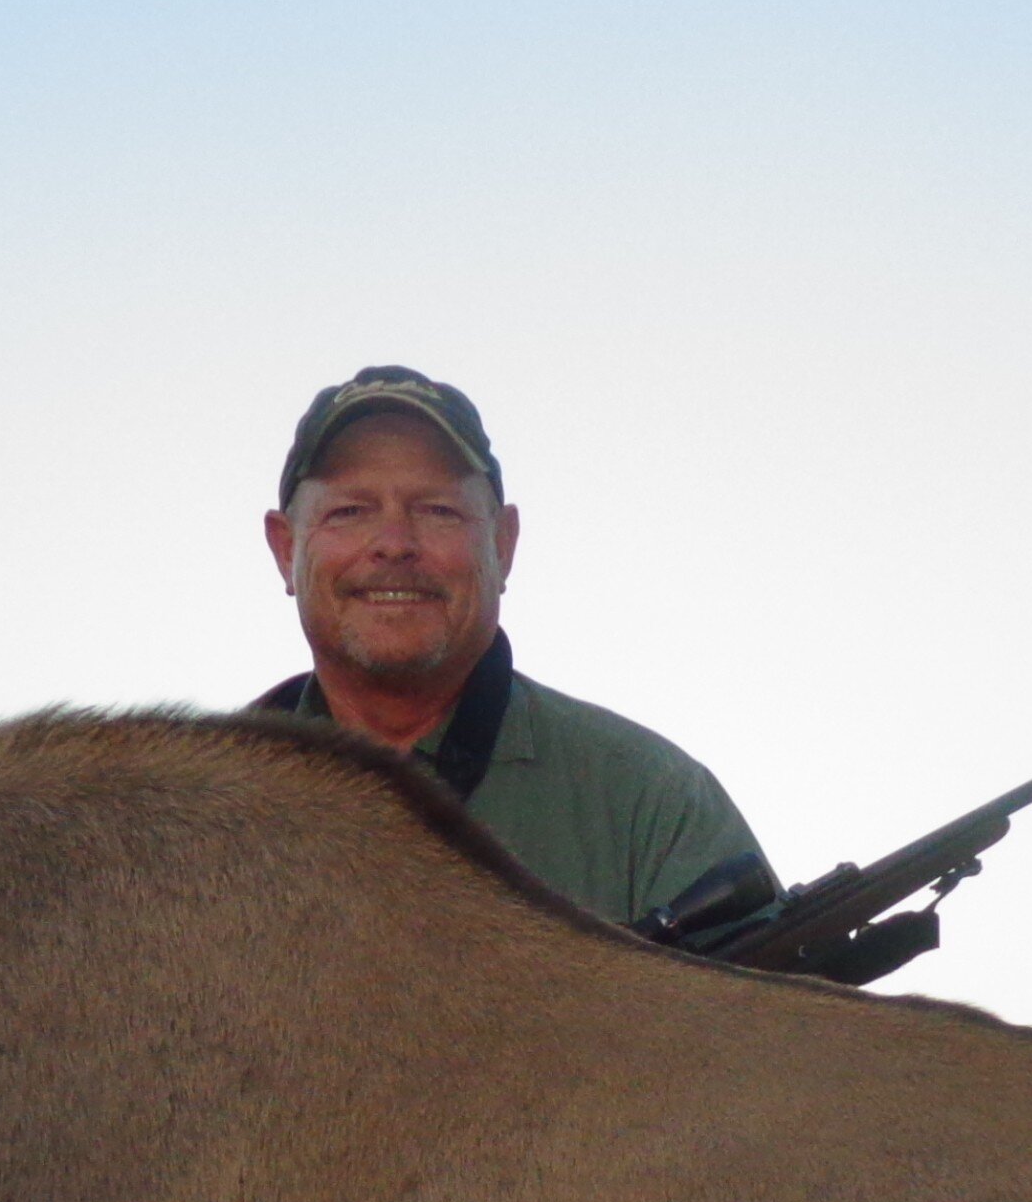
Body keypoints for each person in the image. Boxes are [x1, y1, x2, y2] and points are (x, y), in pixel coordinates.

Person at [248, 365, 769, 930]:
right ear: (285, 549)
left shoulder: (652, 803)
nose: (394, 544)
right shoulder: (191, 808)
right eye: (349, 511)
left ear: (504, 543)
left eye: (438, 510)